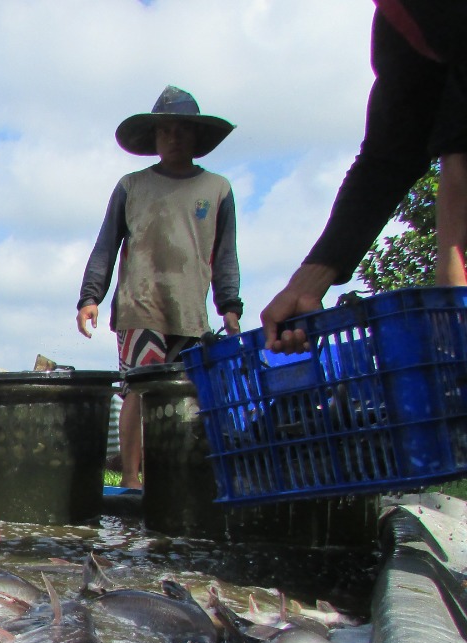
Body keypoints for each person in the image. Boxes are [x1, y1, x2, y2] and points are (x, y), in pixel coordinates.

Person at [262, 1, 467, 352]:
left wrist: (453, 294)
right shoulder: (402, 19)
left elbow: (459, 156)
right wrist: (307, 283)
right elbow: (391, 153)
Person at [75, 86, 243, 489]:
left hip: (189, 309)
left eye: (182, 129)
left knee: (185, 395)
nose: (173, 137)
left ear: (196, 137)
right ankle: (131, 478)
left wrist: (230, 307)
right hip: (140, 303)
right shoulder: (131, 186)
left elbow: (225, 254)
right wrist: (90, 297)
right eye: (164, 130)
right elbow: (106, 245)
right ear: (154, 138)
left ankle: (176, 479)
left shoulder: (217, 190)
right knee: (139, 386)